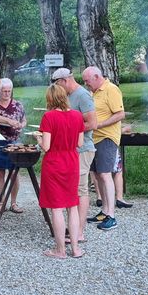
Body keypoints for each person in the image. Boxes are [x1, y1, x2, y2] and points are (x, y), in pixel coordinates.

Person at [35, 84, 84, 259]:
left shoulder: (48, 117)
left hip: (54, 164)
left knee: (57, 208)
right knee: (72, 205)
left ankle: (60, 250)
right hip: (72, 162)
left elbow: (46, 147)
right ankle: (76, 249)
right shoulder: (77, 116)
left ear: (50, 99)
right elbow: (79, 143)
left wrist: (38, 138)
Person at [50, 68, 97, 242]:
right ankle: (73, 228)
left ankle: (79, 232)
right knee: (72, 189)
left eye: (58, 84)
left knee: (80, 190)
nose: (58, 88)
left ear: (65, 80)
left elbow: (92, 123)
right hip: (71, 150)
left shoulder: (82, 95)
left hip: (83, 149)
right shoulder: (68, 96)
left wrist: (67, 131)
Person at [82, 66, 125, 230]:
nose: (86, 84)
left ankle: (112, 216)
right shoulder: (93, 92)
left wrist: (99, 124)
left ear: (96, 77)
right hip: (94, 138)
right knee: (98, 175)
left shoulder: (111, 89)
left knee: (106, 174)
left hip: (107, 137)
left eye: (87, 81)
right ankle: (105, 211)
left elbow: (120, 114)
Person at [0, 78, 27, 213]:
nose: (7, 93)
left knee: (14, 173)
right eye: (4, 91)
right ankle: (2, 202)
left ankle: (13, 203)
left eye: (9, 91)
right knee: (0, 173)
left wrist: (21, 125)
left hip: (14, 142)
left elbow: (24, 120)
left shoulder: (18, 105)